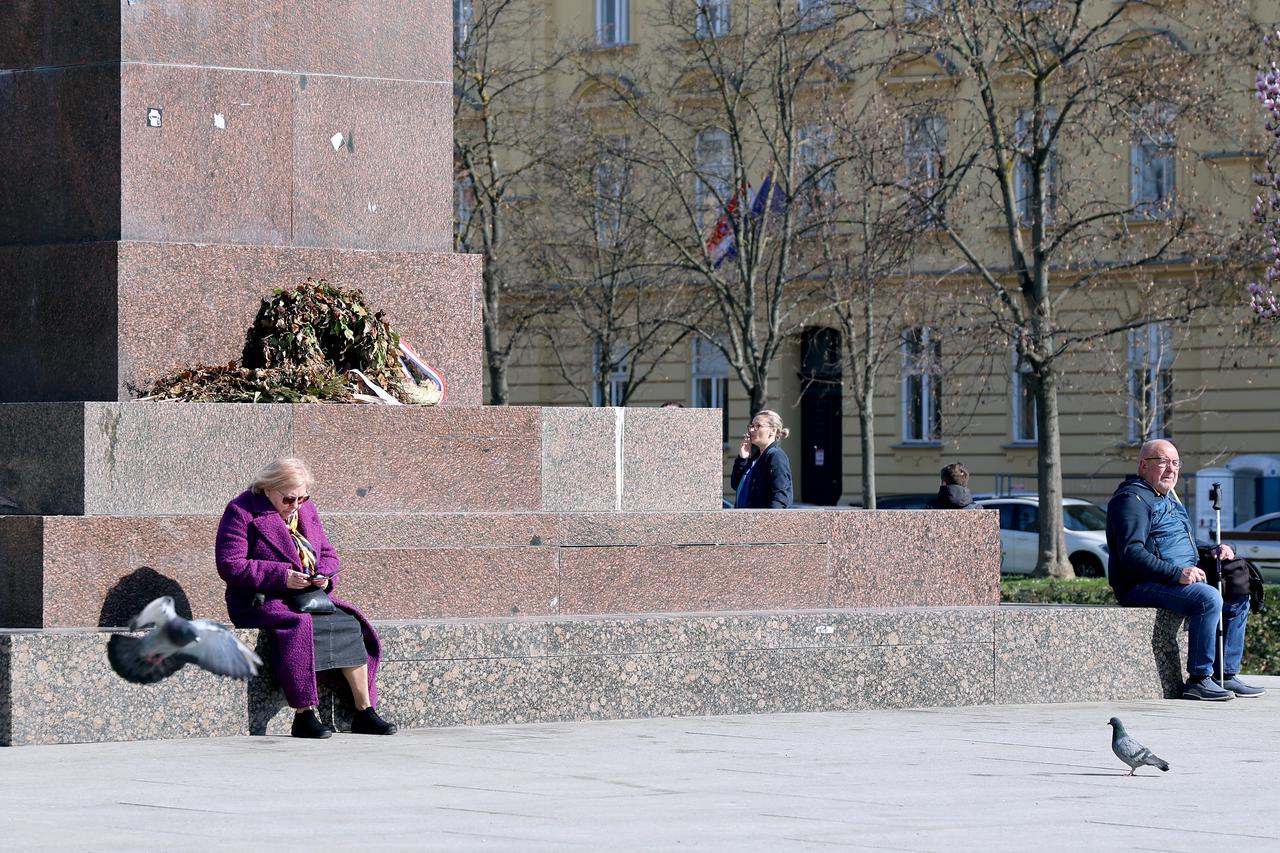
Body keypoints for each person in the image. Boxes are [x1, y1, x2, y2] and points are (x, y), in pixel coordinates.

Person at [215, 458, 399, 737]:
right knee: (298, 625)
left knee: (349, 622)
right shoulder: (241, 511)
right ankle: (304, 714)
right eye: (289, 499)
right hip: (260, 599)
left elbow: (327, 553)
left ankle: (364, 710)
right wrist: (282, 576)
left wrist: (324, 576)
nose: (296, 505)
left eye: (302, 497)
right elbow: (230, 564)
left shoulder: (305, 510)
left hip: (307, 595)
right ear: (267, 489)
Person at [1105, 439, 1264, 701]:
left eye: (1176, 463)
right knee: (1208, 597)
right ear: (1144, 465)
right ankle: (1199, 679)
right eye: (1163, 462)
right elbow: (1131, 553)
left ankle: (1224, 674)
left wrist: (1216, 549)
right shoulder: (1131, 500)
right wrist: (1176, 574)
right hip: (1140, 584)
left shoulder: (1167, 498)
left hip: (1175, 578)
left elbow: (1182, 543)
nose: (1171, 469)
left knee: (1239, 580)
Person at [731, 410, 793, 509]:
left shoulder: (775, 456)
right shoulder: (755, 458)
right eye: (751, 426)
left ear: (773, 430)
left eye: (758, 426)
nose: (751, 430)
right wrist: (742, 458)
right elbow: (736, 485)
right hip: (745, 520)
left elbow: (780, 498)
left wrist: (766, 523)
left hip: (760, 522)